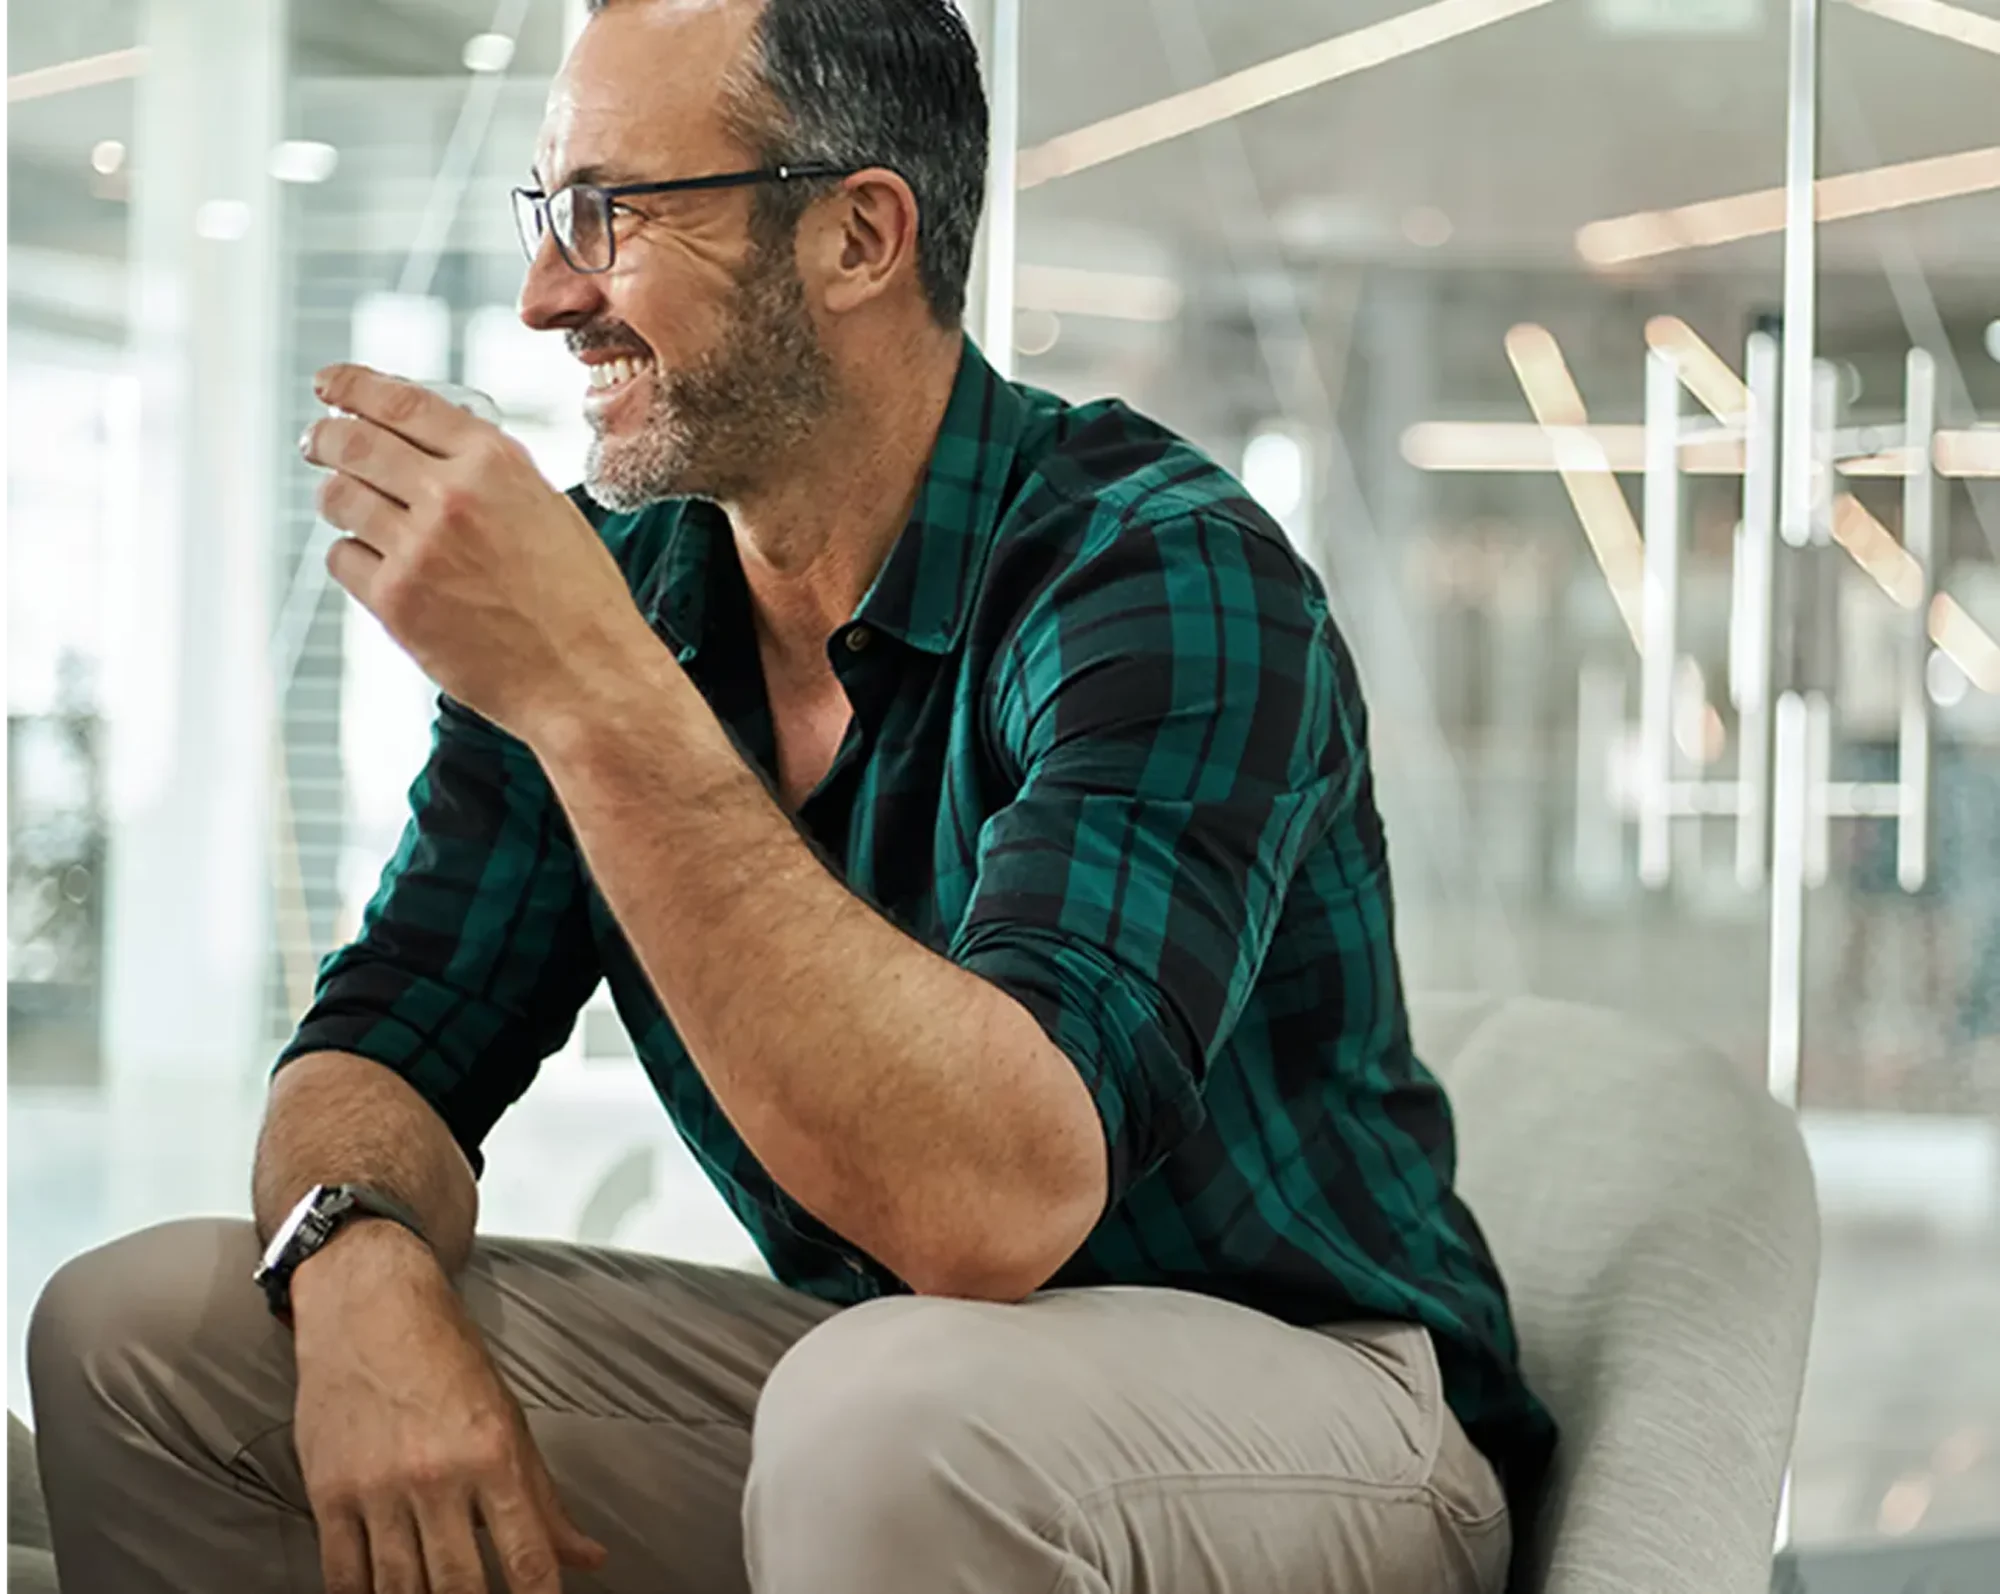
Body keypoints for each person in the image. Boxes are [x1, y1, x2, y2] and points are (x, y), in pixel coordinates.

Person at [28, 0, 1554, 1590]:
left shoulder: (1158, 571)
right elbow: (384, 1035)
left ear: (857, 237)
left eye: (612, 214)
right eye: (548, 212)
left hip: (1323, 1411)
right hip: (901, 1377)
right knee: (148, 1337)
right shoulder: (625, 589)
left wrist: (593, 693)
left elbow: (992, 1202)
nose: (547, 293)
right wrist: (357, 1265)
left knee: (885, 1414)